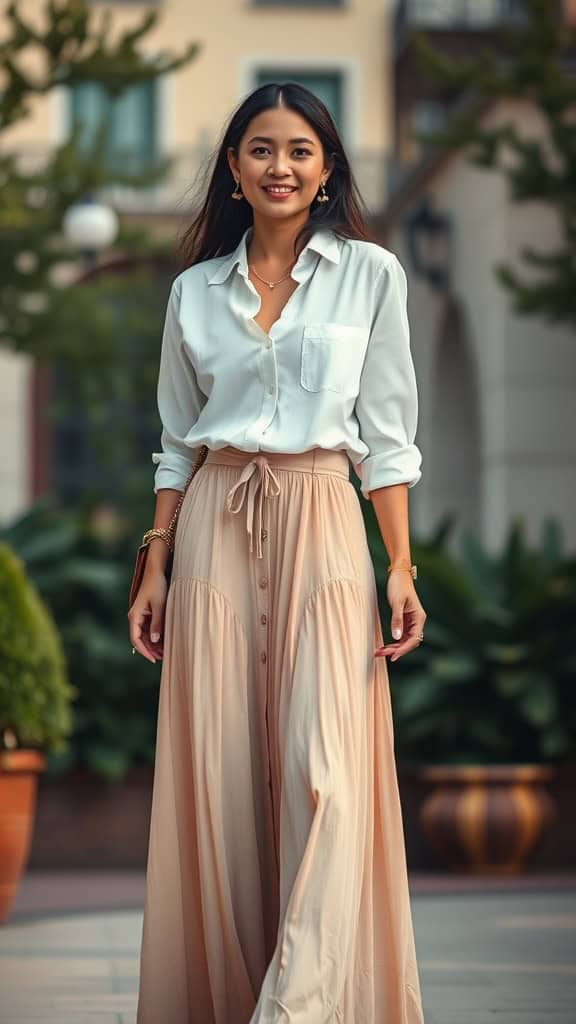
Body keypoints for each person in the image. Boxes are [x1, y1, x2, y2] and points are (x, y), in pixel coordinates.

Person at [129, 81, 427, 1024]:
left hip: (325, 518)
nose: (281, 166)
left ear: (328, 167)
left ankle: (298, 1007)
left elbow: (386, 439)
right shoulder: (192, 292)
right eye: (261, 149)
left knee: (327, 771)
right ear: (232, 166)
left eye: (300, 150)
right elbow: (177, 439)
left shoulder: (373, 277)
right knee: (220, 778)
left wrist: (401, 567)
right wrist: (157, 560)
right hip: (216, 518)